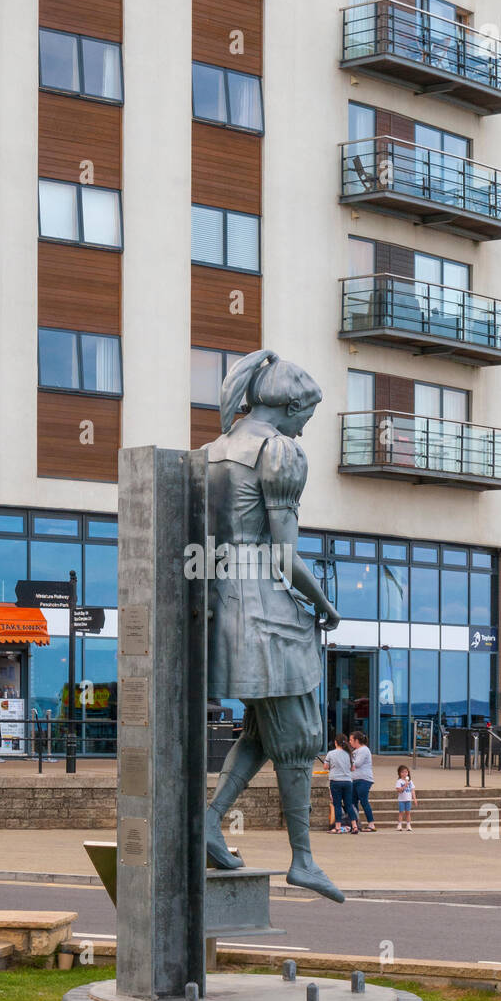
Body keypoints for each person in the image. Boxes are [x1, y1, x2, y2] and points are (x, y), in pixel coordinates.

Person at [202, 349, 345, 902]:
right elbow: (283, 557)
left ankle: (210, 821)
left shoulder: (212, 451)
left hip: (223, 608)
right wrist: (325, 604)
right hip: (267, 615)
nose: (306, 425)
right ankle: (303, 859)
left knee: (261, 732)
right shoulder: (278, 451)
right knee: (300, 736)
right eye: (306, 413)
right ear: (285, 406)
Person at [325, 734, 358, 834]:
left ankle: (338, 827)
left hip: (335, 781)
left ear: (335, 743)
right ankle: (354, 826)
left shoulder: (331, 753)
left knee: (337, 804)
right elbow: (353, 768)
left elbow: (325, 766)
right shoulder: (349, 754)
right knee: (348, 804)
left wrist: (332, 766)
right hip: (348, 781)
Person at [349, 730, 376, 832]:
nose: (350, 742)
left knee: (364, 801)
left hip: (364, 779)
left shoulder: (364, 750)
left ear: (356, 740)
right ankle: (356, 824)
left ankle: (371, 824)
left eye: (351, 740)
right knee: (352, 802)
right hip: (354, 779)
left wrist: (347, 764)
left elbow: (358, 763)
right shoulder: (354, 751)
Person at [396, 765, 416, 832]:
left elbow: (412, 790)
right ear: (399, 773)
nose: (404, 774)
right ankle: (399, 825)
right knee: (401, 812)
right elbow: (398, 790)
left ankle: (408, 825)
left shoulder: (410, 781)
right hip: (401, 800)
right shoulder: (399, 781)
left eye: (406, 772)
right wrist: (405, 786)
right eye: (402, 772)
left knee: (408, 812)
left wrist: (414, 799)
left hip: (408, 799)